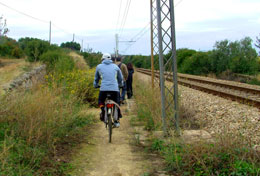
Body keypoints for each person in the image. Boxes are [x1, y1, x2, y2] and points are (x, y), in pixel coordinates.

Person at [93, 53, 123, 127]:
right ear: (110, 59)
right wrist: (120, 85)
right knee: (117, 102)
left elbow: (96, 78)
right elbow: (120, 78)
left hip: (103, 89)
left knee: (100, 101)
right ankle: (116, 120)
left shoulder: (99, 66)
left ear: (102, 59)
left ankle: (103, 111)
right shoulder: (115, 66)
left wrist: (95, 85)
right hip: (115, 89)